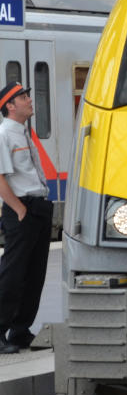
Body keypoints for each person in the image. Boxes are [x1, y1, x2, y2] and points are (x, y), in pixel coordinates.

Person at [0, 83, 53, 355]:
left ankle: (20, 330)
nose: (29, 100)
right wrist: (19, 209)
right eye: (23, 97)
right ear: (10, 106)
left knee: (35, 274)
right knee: (12, 274)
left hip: (39, 207)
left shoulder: (24, 133)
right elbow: (0, 179)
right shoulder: (4, 134)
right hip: (22, 209)